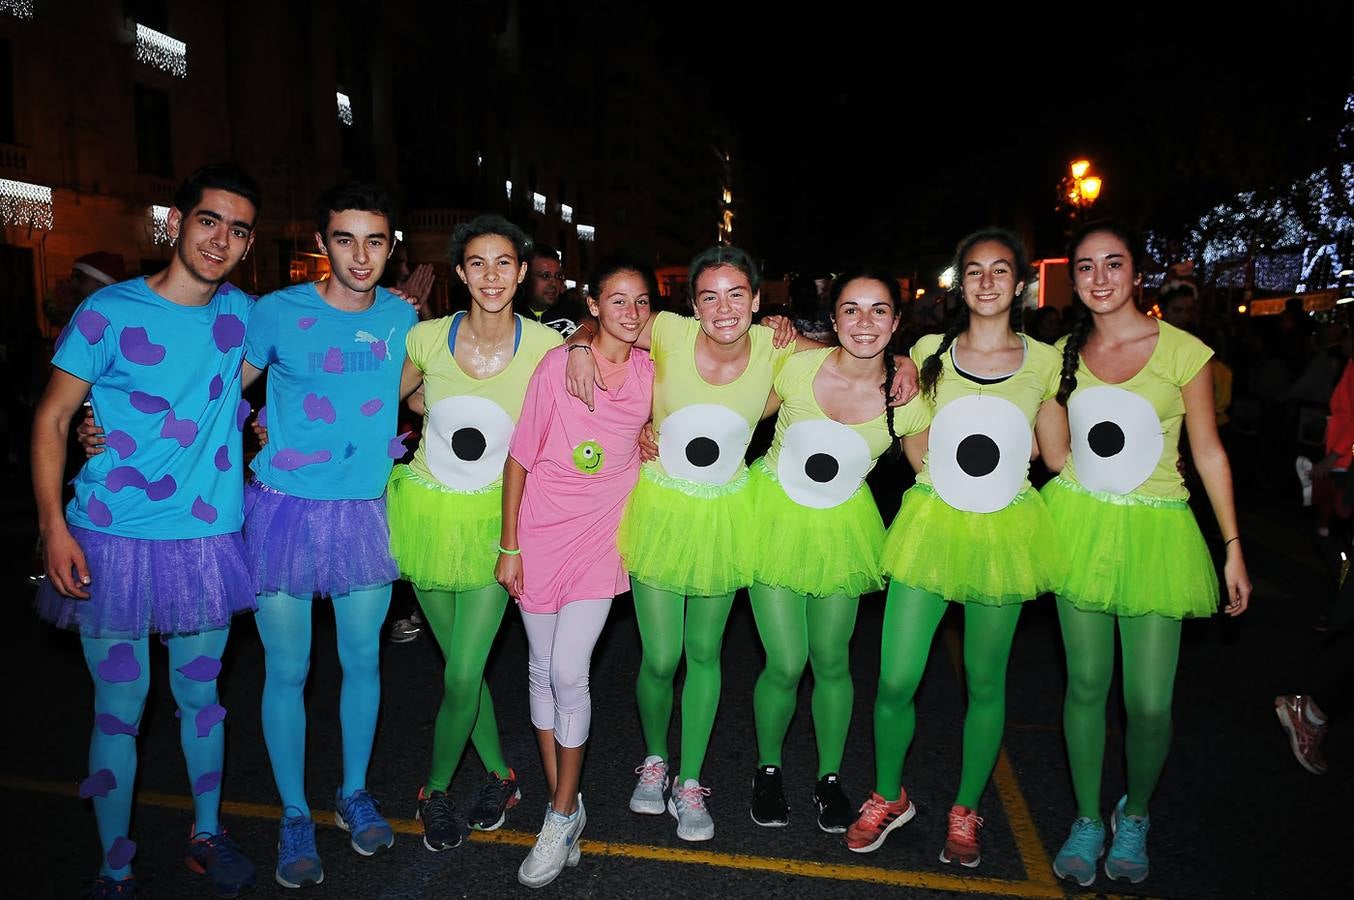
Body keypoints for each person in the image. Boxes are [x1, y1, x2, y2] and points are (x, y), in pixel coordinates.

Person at [564, 246, 918, 842]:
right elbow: (610, 318)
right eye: (709, 295)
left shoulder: (777, 349)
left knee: (707, 654)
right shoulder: (670, 332)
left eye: (736, 295)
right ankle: (655, 760)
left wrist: (903, 359)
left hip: (728, 513)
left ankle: (691, 780)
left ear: (757, 302)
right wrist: (578, 342)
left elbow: (853, 353)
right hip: (661, 508)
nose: (723, 308)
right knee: (659, 657)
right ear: (692, 303)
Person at [31, 164, 261, 899]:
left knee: (201, 701)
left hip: (202, 544)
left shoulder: (248, 318)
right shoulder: (107, 313)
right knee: (118, 711)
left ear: (249, 243)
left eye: (238, 229)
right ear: (176, 223)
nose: (221, 239)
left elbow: (328, 324)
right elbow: (53, 419)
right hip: (111, 538)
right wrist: (52, 529)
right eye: (208, 221)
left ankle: (205, 835)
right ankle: (115, 868)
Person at [845, 229, 1066, 869]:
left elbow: (1056, 452)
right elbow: (913, 431)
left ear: (1020, 283)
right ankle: (889, 794)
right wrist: (933, 472)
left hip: (1004, 529)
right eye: (975, 271)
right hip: (932, 524)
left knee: (987, 682)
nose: (988, 281)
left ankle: (966, 807)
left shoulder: (1047, 360)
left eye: (1001, 271)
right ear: (960, 282)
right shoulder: (926, 351)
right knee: (894, 679)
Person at [1043, 221, 1250, 887]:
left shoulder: (1185, 350)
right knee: (1084, 685)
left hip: (1159, 532)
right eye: (1085, 267)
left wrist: (1233, 547)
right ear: (1073, 280)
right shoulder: (1058, 355)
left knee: (1151, 703)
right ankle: (1085, 816)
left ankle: (1135, 814)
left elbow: (1210, 450)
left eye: (1114, 264)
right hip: (1077, 525)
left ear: (1137, 274)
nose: (1099, 278)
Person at [241, 181, 419, 887]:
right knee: (288, 669)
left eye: (374, 240)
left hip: (365, 512)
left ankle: (353, 793)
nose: (360, 254)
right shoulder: (277, 311)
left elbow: (436, 388)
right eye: (345, 239)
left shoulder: (406, 317)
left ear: (391, 245)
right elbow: (221, 390)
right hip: (283, 510)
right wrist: (107, 433)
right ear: (323, 243)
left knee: (363, 662)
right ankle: (292, 813)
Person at [388, 214, 563, 852]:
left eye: (505, 263)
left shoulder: (548, 346)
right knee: (464, 663)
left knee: (462, 671)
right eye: (478, 264)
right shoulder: (427, 337)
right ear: (460, 273)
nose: (492, 276)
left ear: (523, 272)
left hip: (500, 522)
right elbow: (382, 401)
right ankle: (501, 774)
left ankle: (432, 791)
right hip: (429, 512)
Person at [745, 267, 929, 833]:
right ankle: (768, 770)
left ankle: (828, 777)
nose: (864, 322)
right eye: (851, 309)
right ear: (833, 318)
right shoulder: (796, 366)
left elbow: (931, 478)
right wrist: (655, 431)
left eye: (879, 311)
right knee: (785, 660)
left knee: (832, 662)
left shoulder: (906, 395)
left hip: (843, 530)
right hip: (771, 517)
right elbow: (734, 413)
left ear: (897, 323)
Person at [497, 253, 656, 886]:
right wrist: (509, 545)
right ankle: (567, 797)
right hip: (539, 532)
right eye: (616, 300)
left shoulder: (653, 372)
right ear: (592, 306)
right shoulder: (559, 363)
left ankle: (560, 814)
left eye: (641, 301)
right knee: (539, 669)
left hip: (602, 538)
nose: (631, 312)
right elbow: (518, 457)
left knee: (569, 669)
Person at [522, 244, 585, 336]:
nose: (554, 283)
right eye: (545, 276)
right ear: (525, 277)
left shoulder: (574, 312)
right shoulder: (510, 313)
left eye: (558, 276)